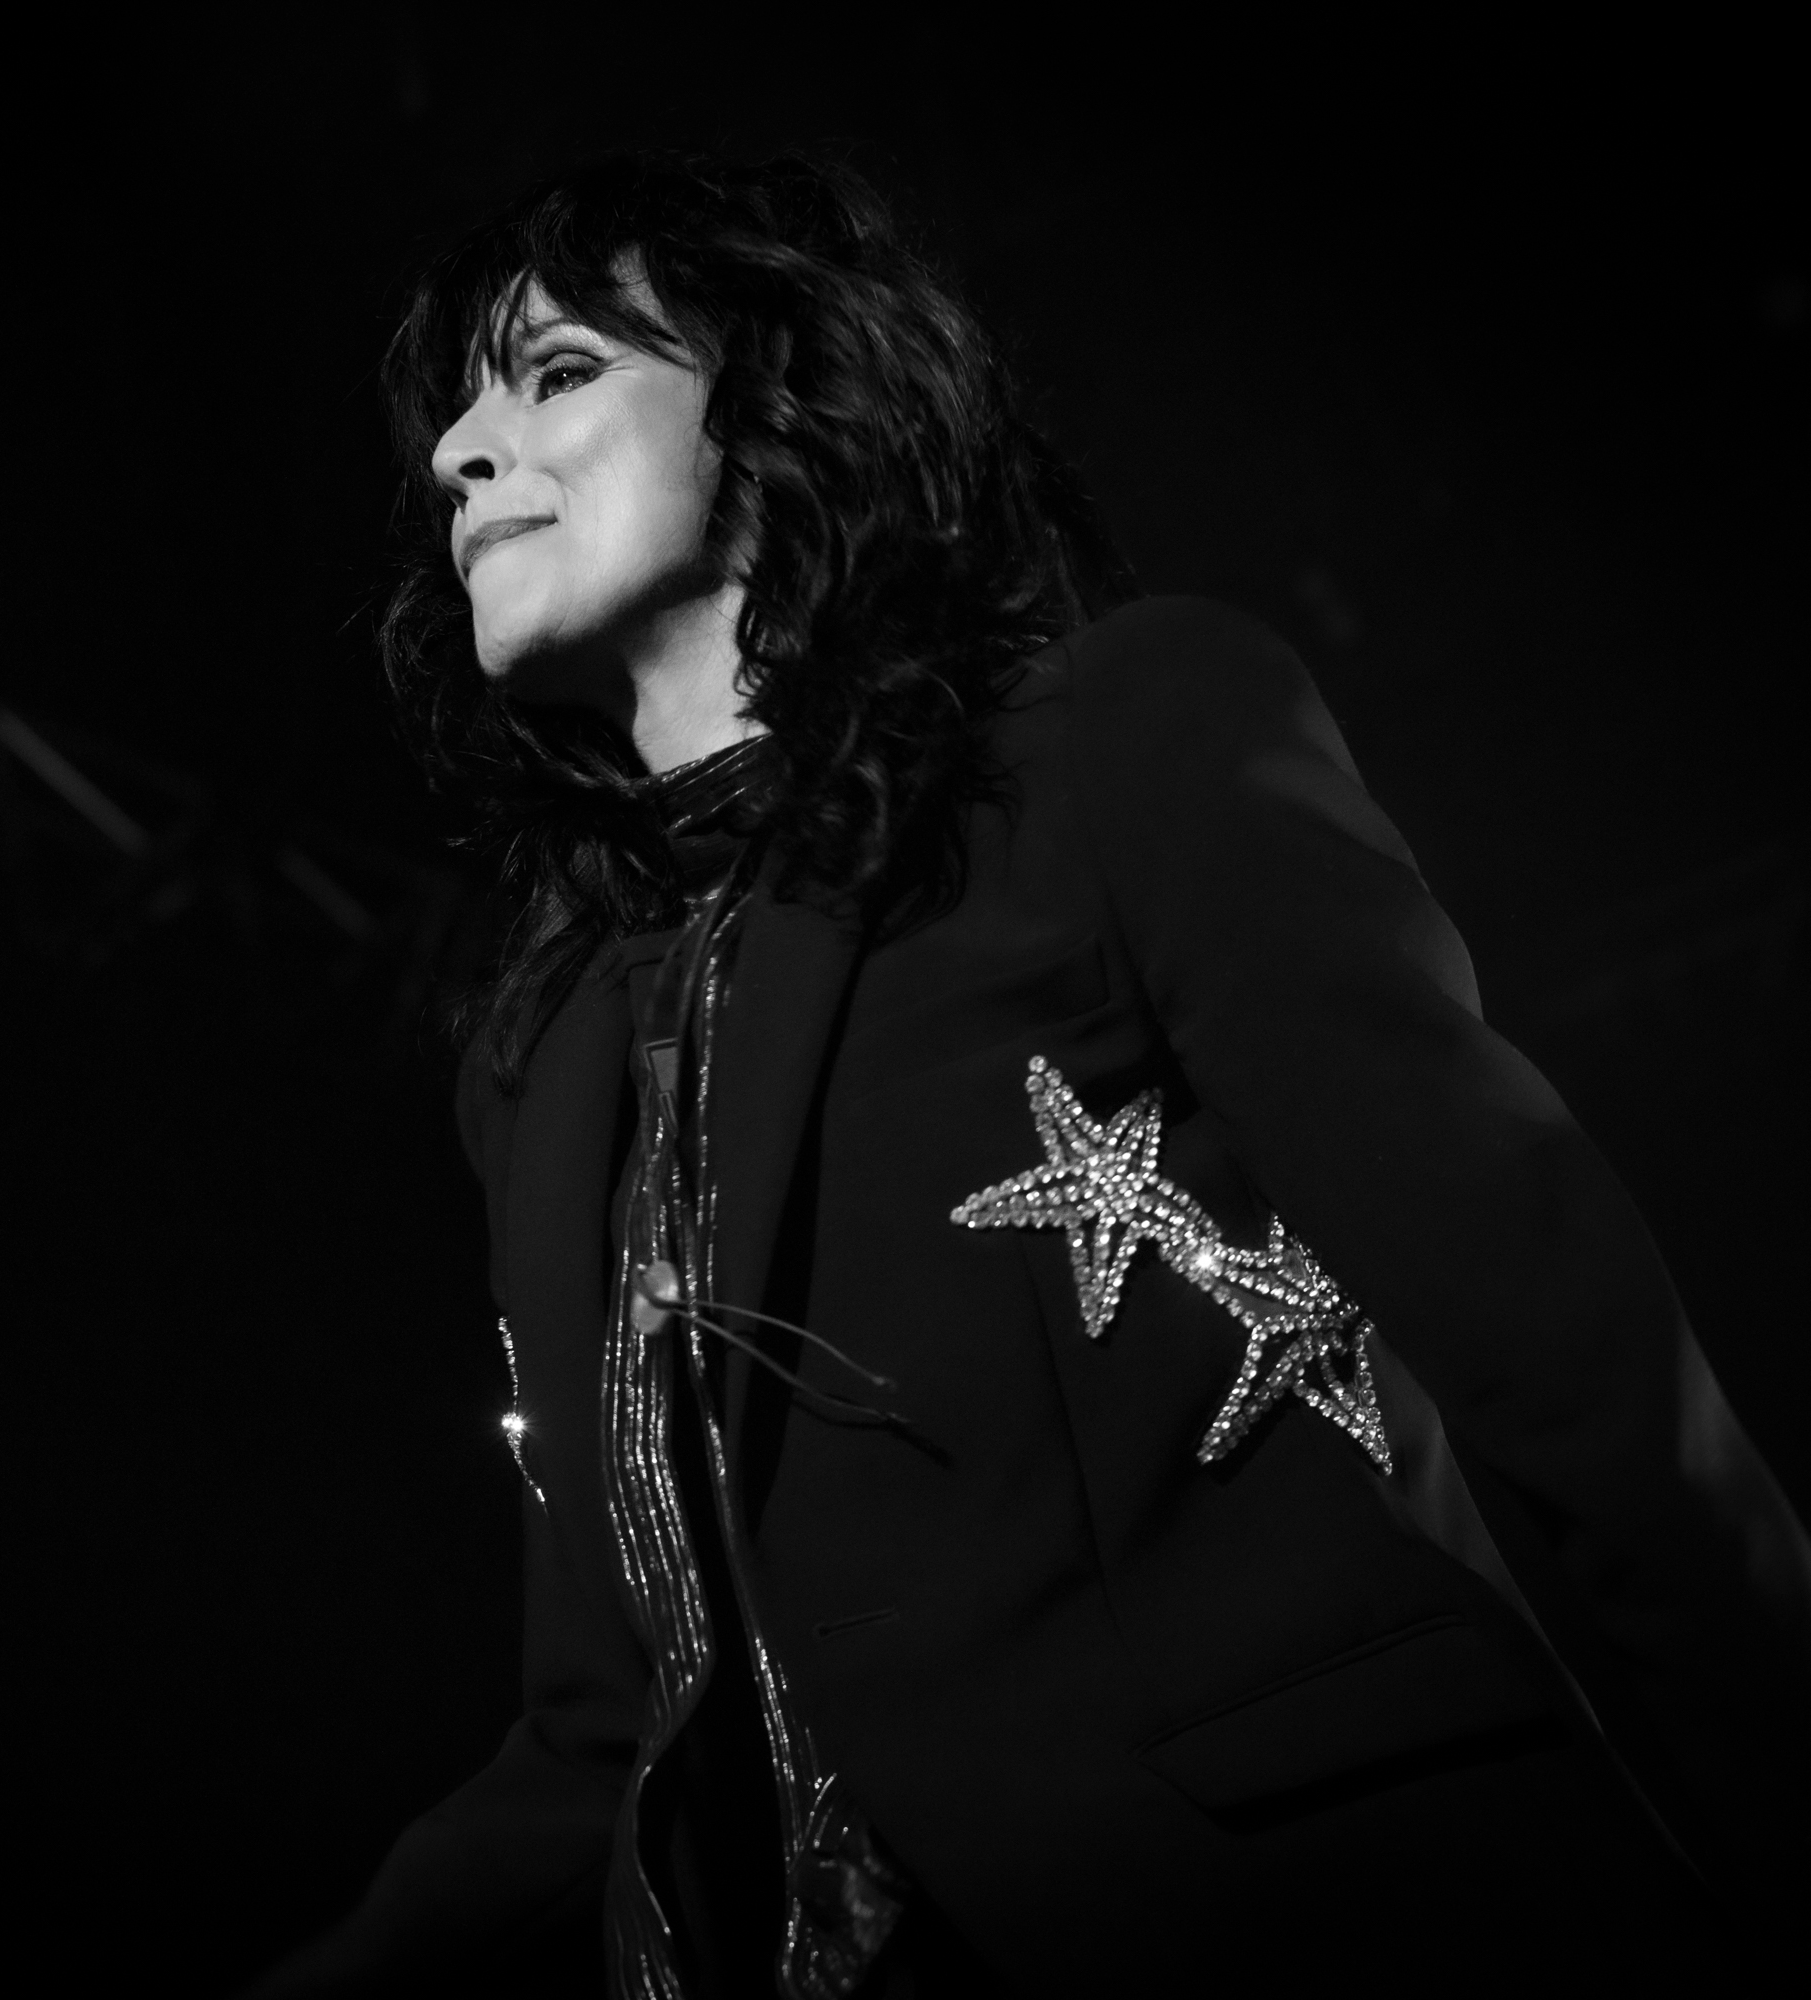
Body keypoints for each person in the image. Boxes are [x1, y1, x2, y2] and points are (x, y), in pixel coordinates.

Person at [247, 153, 1808, 1997]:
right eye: (456, 413)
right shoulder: (545, 1053)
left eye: (560, 371)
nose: (459, 452)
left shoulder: (1115, 743)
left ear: (782, 401)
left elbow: (1571, 1367)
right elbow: (609, 1731)